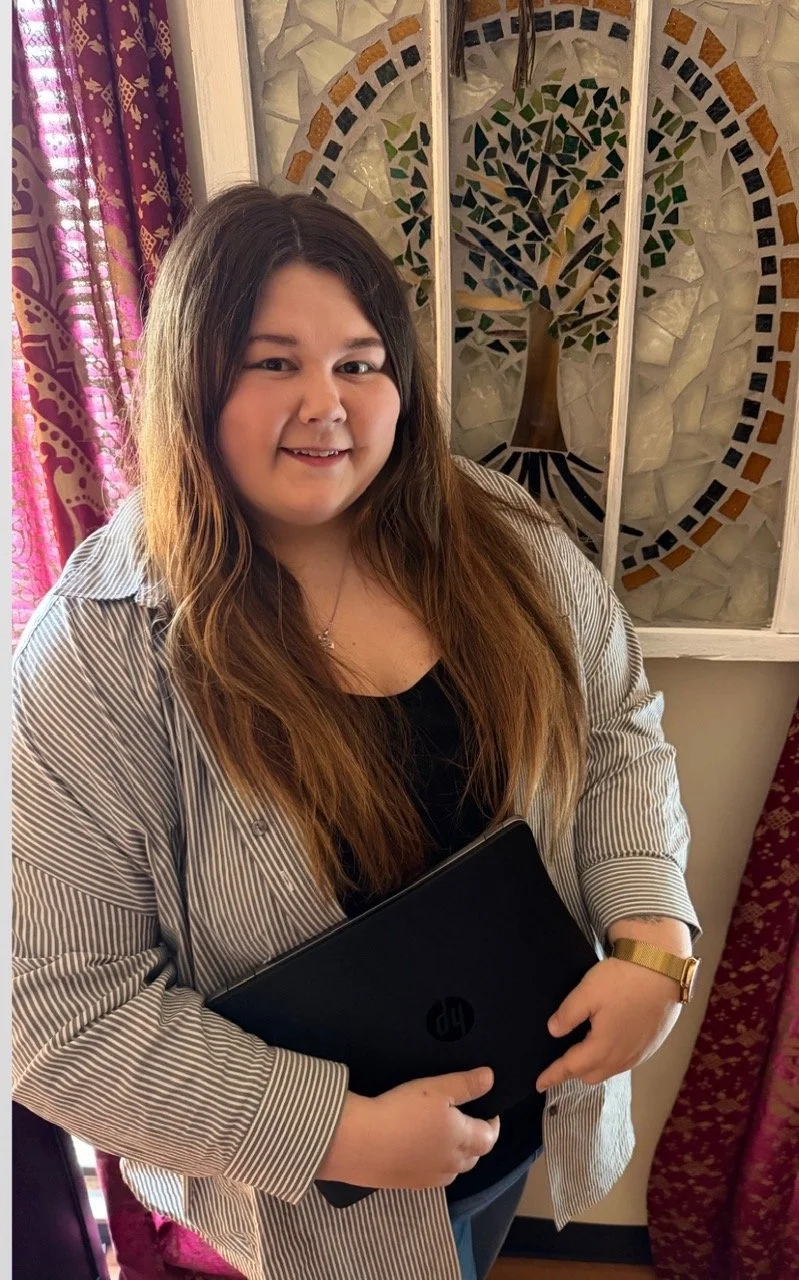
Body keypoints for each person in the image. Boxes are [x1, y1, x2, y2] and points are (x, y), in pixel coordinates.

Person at [12, 183, 700, 1280]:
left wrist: (652, 931)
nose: (325, 404)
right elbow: (57, 1014)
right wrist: (335, 1132)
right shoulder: (94, 652)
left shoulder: (501, 537)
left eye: (359, 362)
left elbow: (615, 725)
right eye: (272, 362)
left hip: (518, 1113)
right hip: (322, 1203)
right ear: (191, 379)